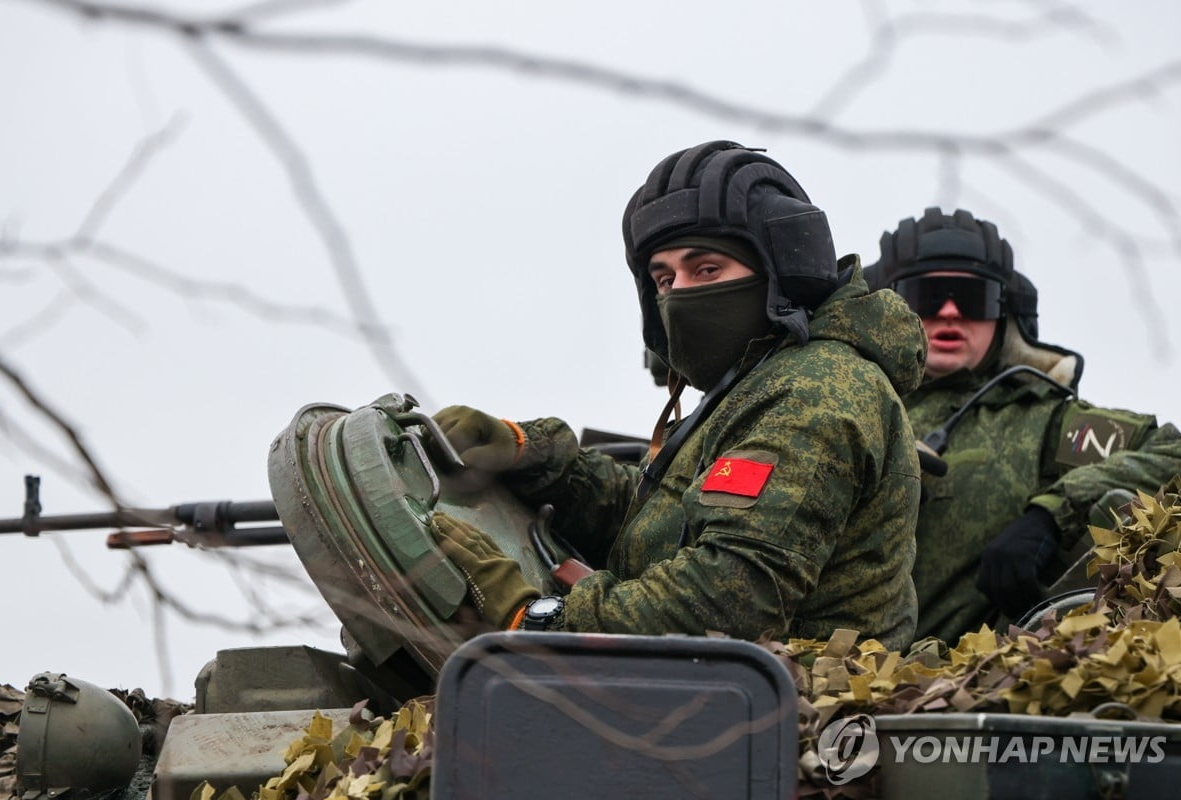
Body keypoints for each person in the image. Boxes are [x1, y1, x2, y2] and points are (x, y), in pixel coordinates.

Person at [428, 140, 928, 650]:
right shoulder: (760, 380)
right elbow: (671, 519)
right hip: (727, 701)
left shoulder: (815, 389)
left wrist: (536, 619)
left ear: (782, 273)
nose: (681, 293)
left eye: (706, 269)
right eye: (664, 278)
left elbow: (729, 598)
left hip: (784, 714)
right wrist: (537, 456)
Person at [866, 207, 1181, 644]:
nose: (951, 312)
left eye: (974, 298)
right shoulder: (841, 405)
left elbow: (1172, 455)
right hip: (819, 681)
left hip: (968, 684)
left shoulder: (1047, 419)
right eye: (927, 294)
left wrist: (1052, 515)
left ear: (1006, 311)